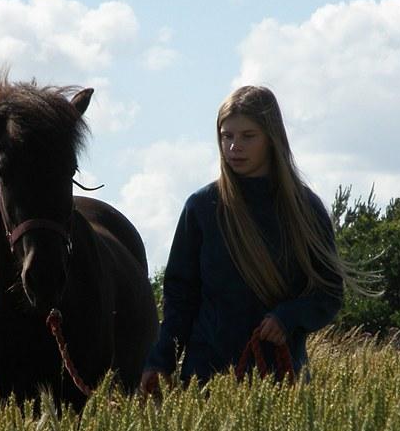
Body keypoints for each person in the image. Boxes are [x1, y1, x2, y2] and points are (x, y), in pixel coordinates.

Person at [140, 85, 344, 393]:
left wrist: (288, 318)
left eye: (248, 136)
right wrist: (160, 361)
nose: (235, 146)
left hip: (280, 379)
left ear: (271, 139)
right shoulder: (201, 208)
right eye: (227, 136)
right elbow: (179, 298)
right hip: (205, 381)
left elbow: (329, 293)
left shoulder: (305, 209)